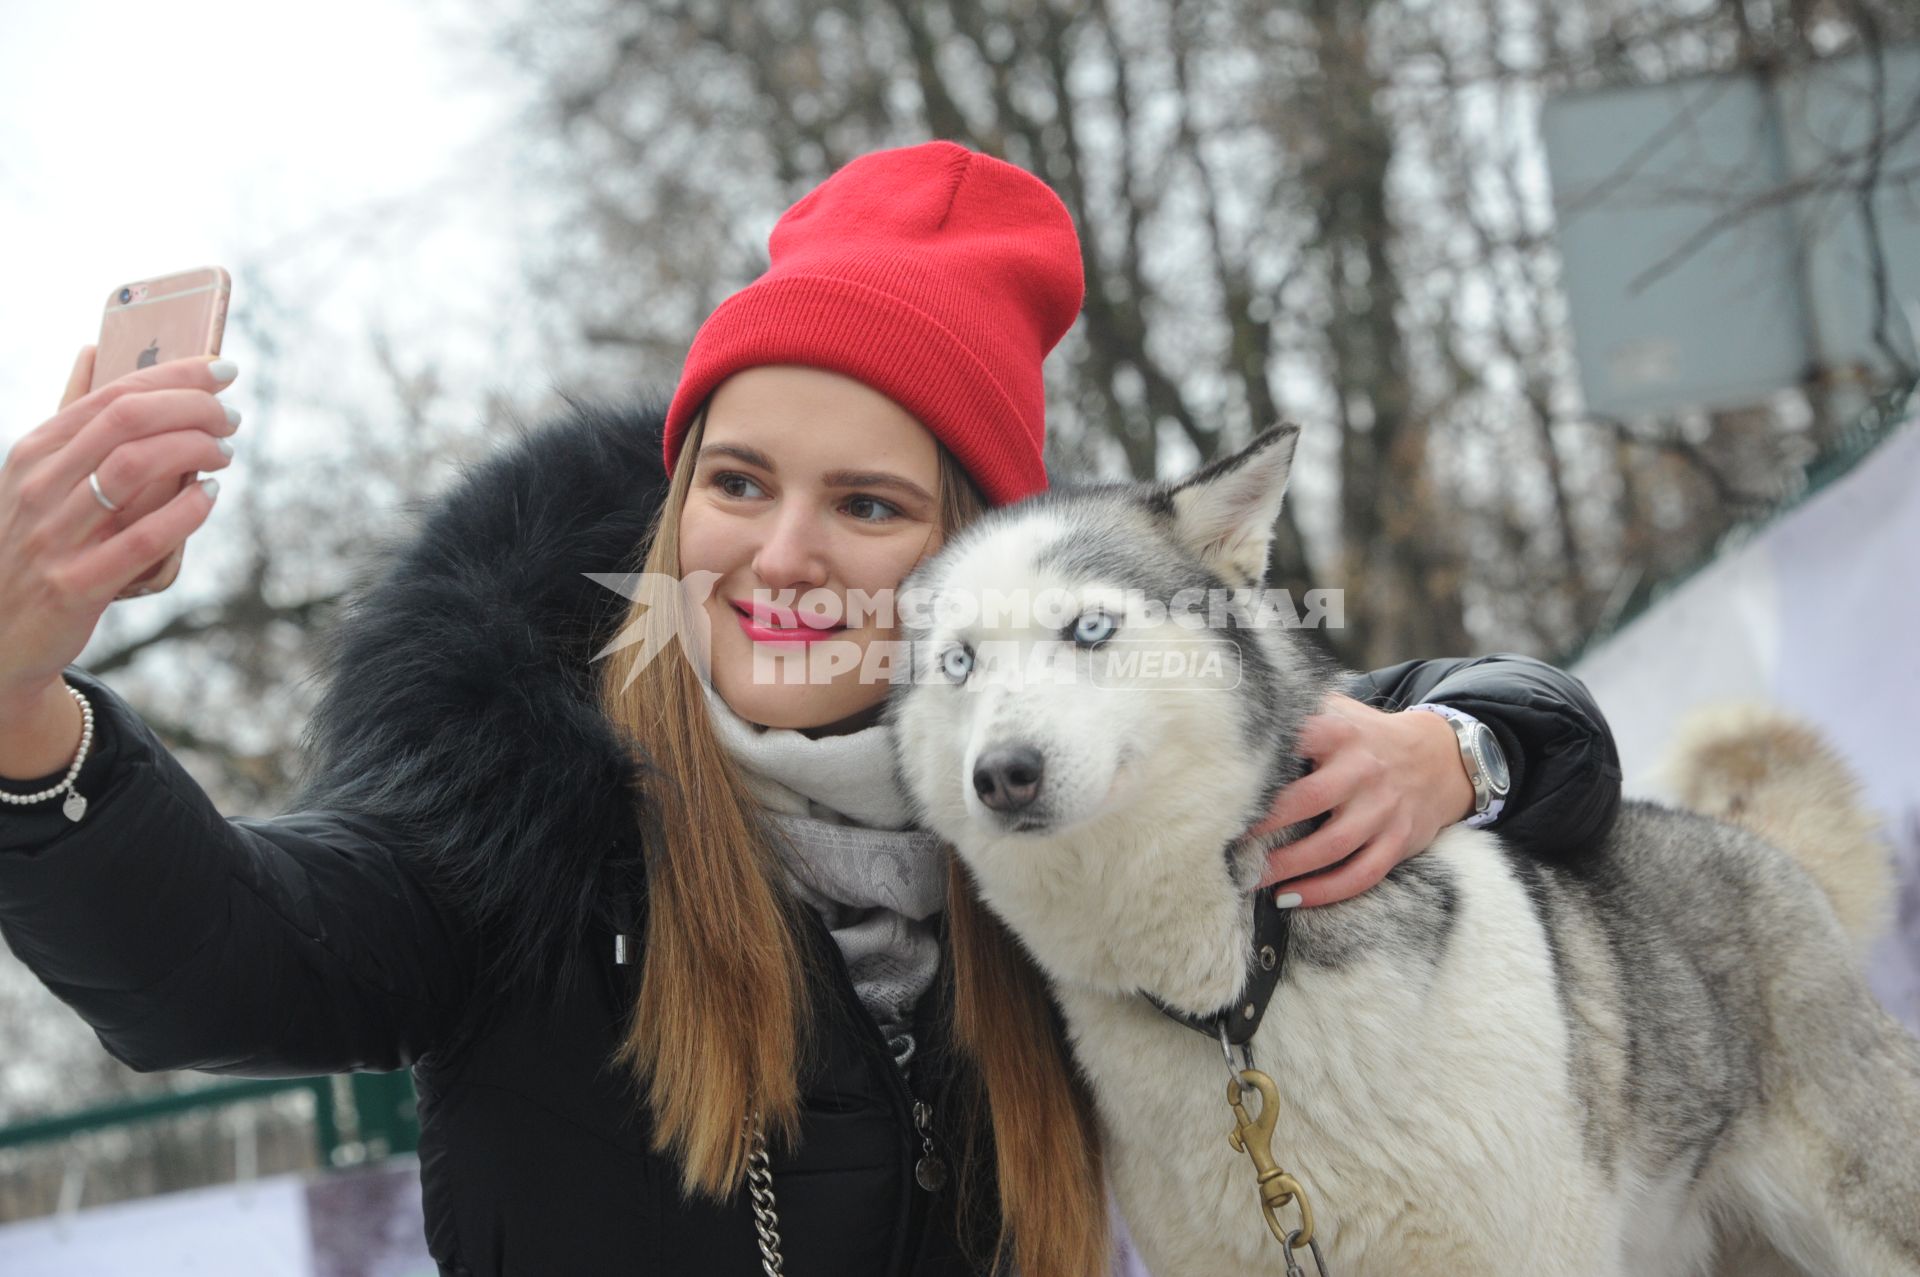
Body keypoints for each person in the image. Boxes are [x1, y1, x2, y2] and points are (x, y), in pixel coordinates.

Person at [0, 142, 1621, 1276]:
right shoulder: (521, 804)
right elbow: (224, 958)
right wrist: (20, 703)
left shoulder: (1083, 797)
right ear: (676, 496)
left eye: (866, 507)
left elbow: (1528, 738)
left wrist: (1460, 751)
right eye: (740, 479)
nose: (778, 554)